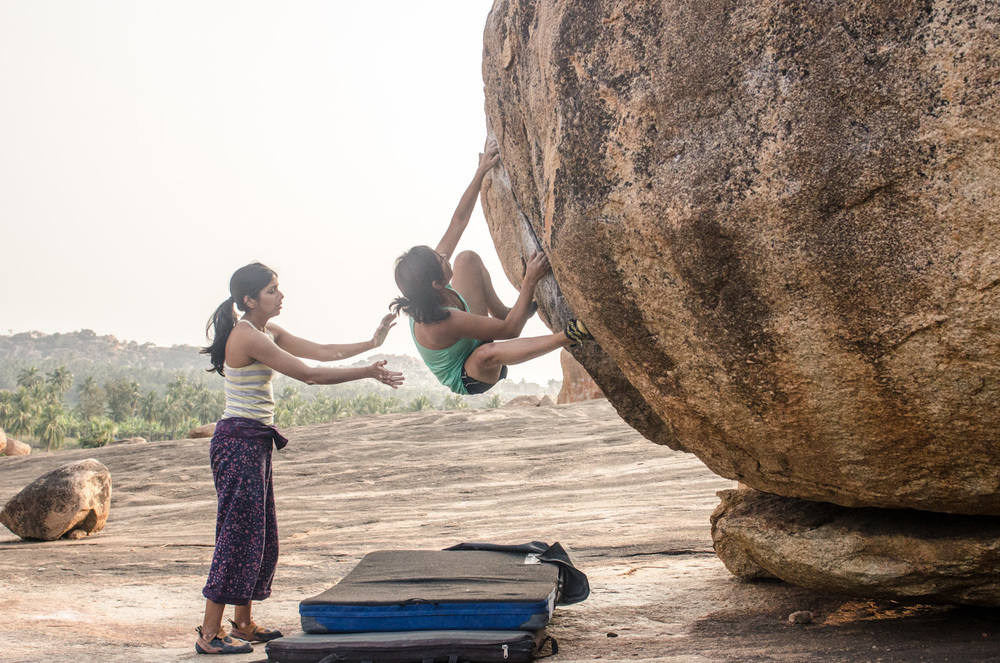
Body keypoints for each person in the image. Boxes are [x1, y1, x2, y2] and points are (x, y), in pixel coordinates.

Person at [195, 261, 403, 655]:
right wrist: (367, 372)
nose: (281, 295)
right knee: (237, 536)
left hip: (253, 442)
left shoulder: (264, 330)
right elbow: (311, 374)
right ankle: (209, 633)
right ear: (249, 300)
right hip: (238, 442)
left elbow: (320, 351)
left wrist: (371, 343)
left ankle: (242, 623)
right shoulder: (247, 336)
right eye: (272, 290)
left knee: (258, 535)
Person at [391, 138, 592, 396]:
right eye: (440, 260)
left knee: (466, 258)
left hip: (471, 335)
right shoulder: (439, 322)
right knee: (487, 353)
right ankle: (569, 336)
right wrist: (530, 280)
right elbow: (510, 331)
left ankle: (503, 311)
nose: (444, 257)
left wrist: (481, 172)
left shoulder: (429, 283)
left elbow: (459, 221)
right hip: (471, 374)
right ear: (435, 284)